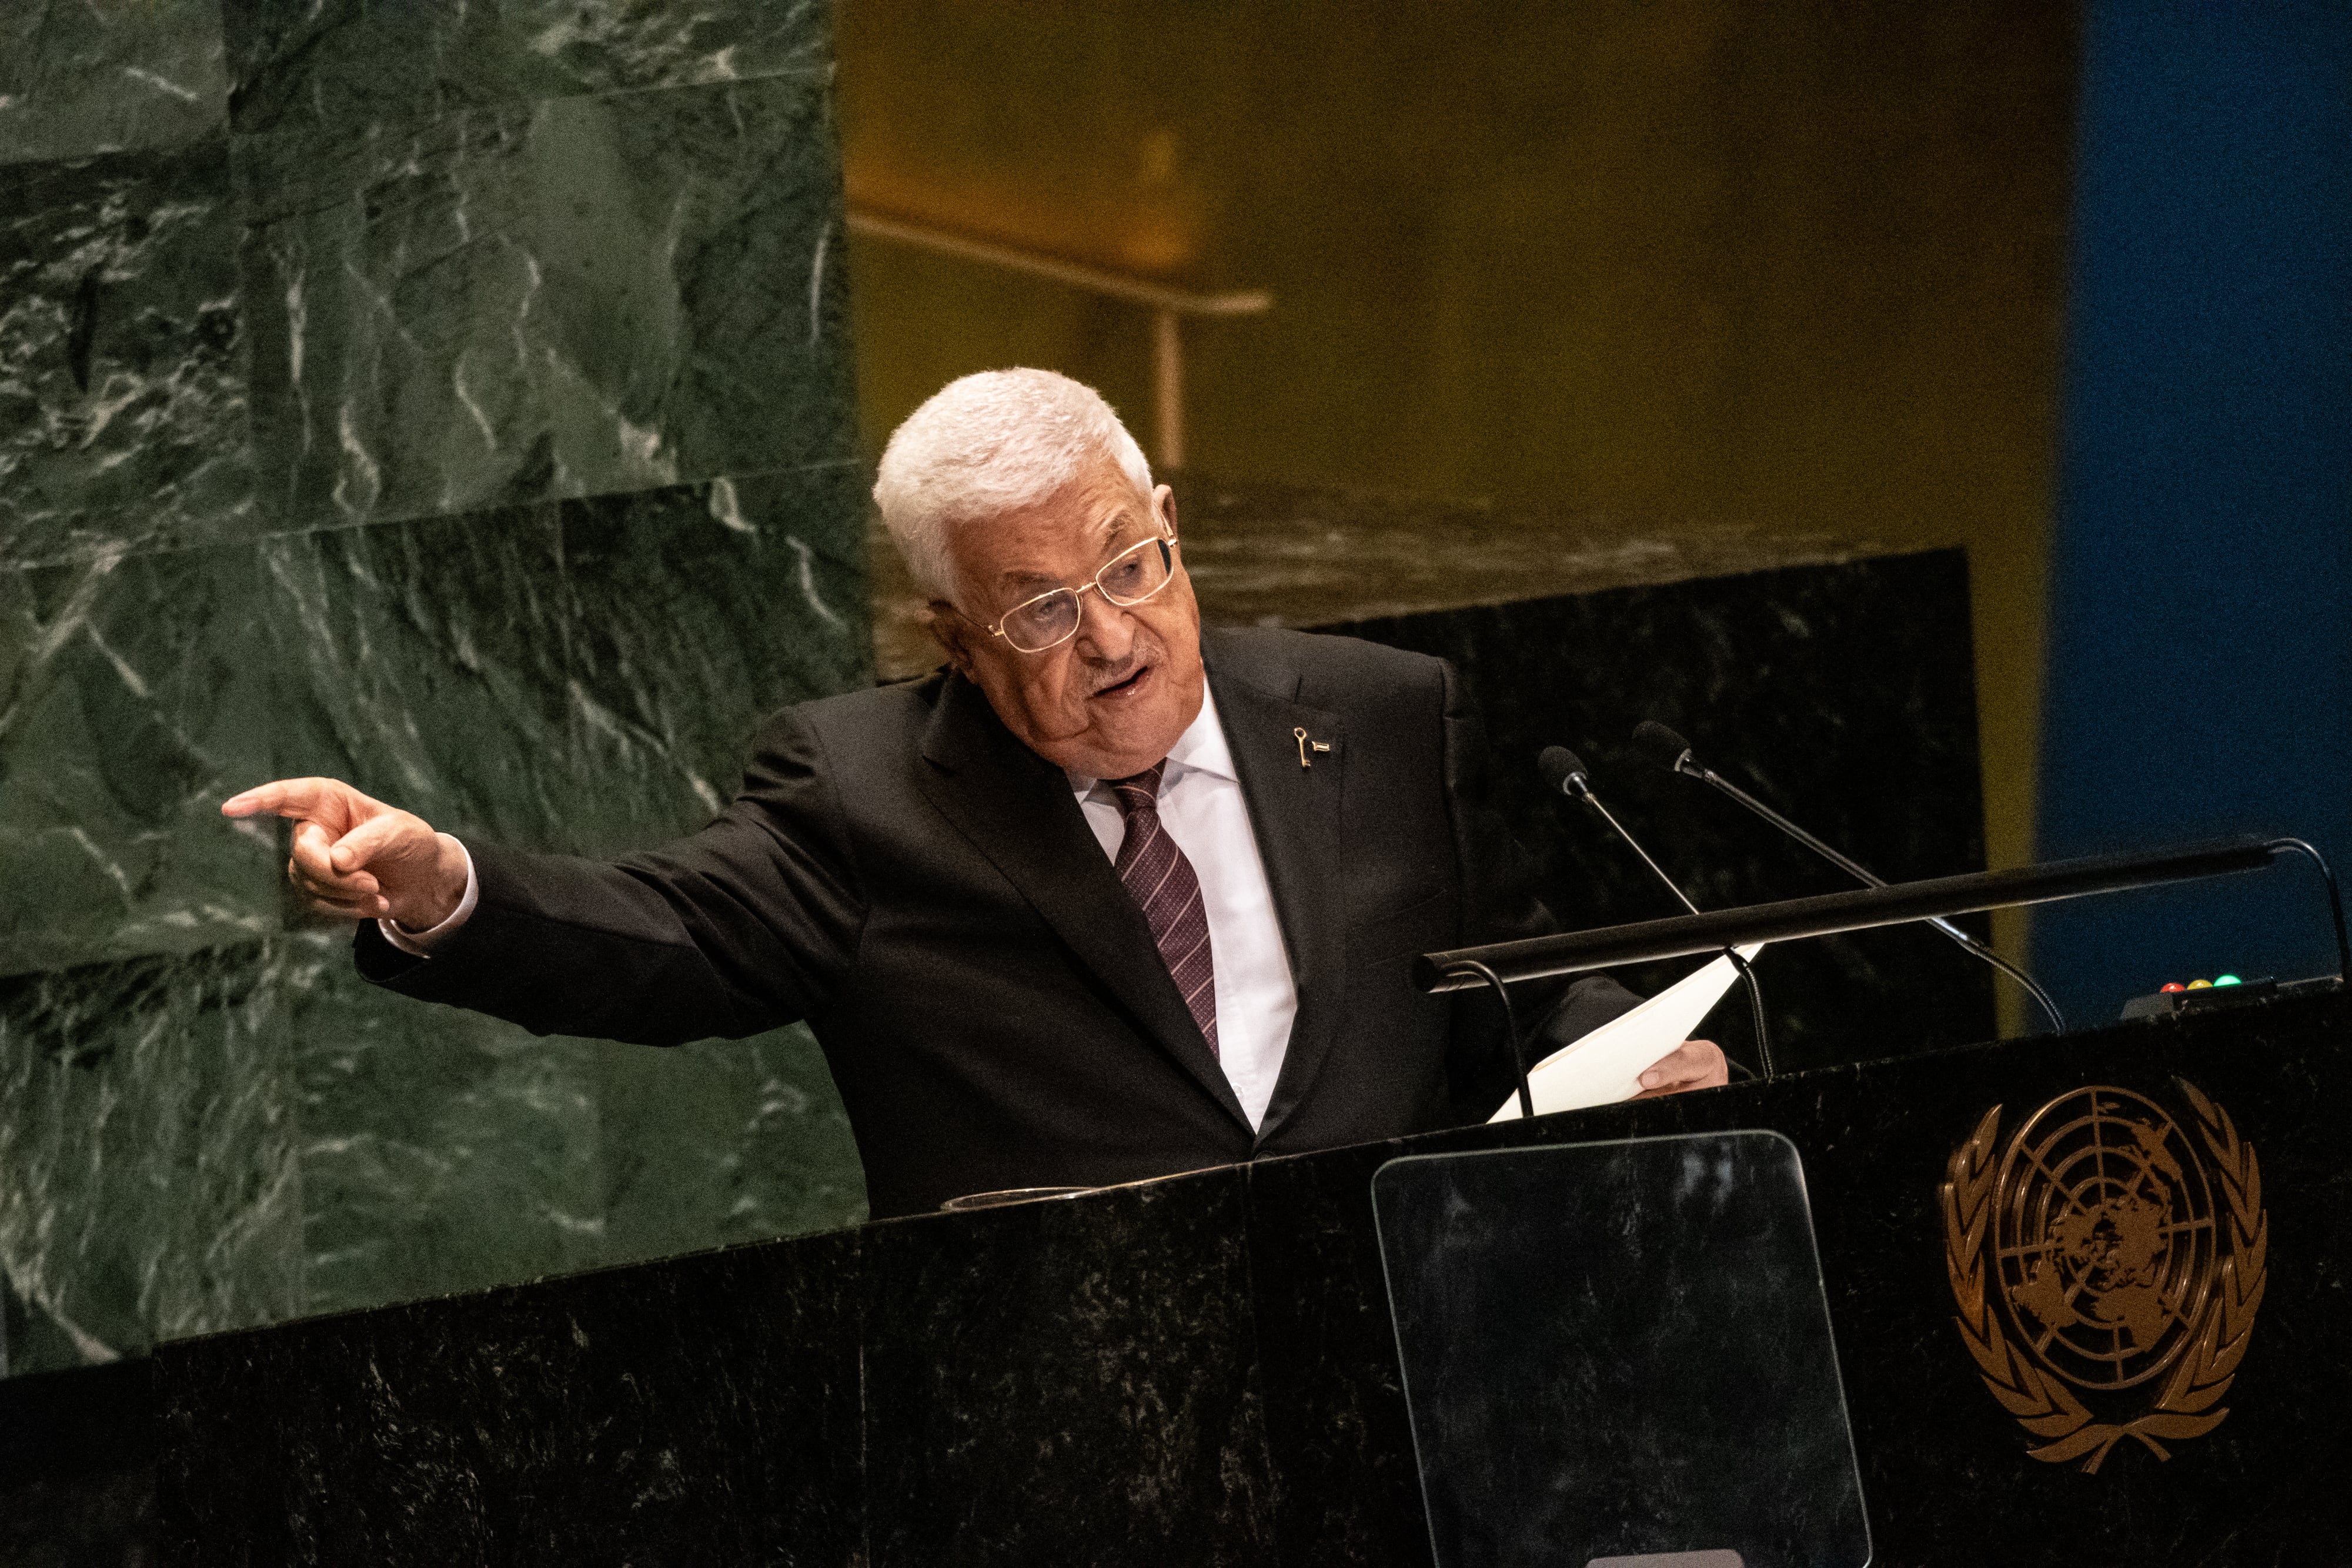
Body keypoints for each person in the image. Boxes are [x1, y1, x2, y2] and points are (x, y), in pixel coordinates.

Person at [223, 370, 1726, 1216]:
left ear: (1171, 530)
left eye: (1131, 564)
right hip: (1071, 1412)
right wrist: (437, 884)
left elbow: (1508, 972)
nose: (1115, 635)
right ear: (952, 633)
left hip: (1402, 1351)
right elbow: (662, 934)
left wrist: (1612, 1042)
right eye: (1041, 610)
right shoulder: (865, 789)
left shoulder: (1377, 712)